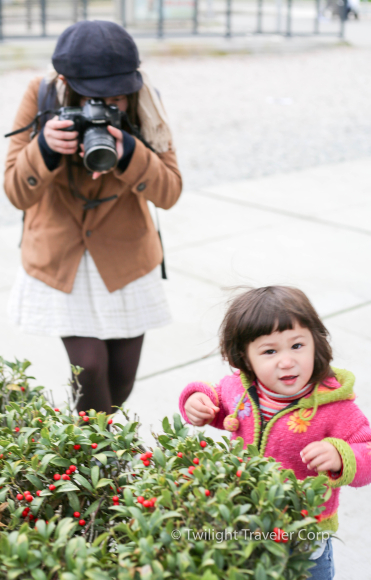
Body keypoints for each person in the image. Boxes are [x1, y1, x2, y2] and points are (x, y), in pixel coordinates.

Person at [4, 20, 182, 415]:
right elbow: (16, 191)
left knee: (121, 380)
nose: (107, 104)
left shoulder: (144, 99)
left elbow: (170, 192)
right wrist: (45, 149)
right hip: (60, 257)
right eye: (94, 97)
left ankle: (85, 450)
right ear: (66, 81)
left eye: (117, 97)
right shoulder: (43, 93)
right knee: (91, 368)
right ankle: (98, 465)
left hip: (125, 257)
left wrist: (134, 155)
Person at [179, 286, 371, 580]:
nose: (286, 361)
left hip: (304, 535)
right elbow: (215, 402)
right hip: (246, 520)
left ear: (316, 343)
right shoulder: (240, 390)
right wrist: (195, 401)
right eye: (270, 351)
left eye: (297, 346)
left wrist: (341, 456)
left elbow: (367, 450)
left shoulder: (335, 407)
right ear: (243, 358)